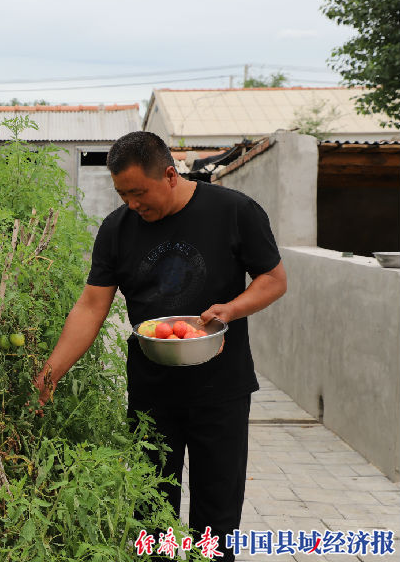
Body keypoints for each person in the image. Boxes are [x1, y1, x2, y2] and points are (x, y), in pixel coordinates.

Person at [34, 131, 287, 561]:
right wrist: (51, 370)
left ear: (169, 175)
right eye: (122, 194)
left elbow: (274, 280)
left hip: (220, 390)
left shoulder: (234, 212)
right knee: (150, 513)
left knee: (217, 517)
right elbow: (92, 305)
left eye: (138, 192)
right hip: (152, 393)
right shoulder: (117, 229)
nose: (132, 203)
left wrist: (230, 309)